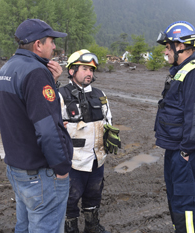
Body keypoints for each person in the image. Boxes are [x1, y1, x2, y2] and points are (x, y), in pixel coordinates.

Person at [0, 19, 73, 233]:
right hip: (40, 174)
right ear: (38, 44)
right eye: (51, 41)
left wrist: (53, 82)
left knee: (25, 226)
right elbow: (47, 130)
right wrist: (62, 168)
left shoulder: (8, 68)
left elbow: (24, 113)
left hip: (17, 168)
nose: (54, 46)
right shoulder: (36, 72)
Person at [154, 21, 195, 233]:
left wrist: (185, 151)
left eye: (167, 46)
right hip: (177, 148)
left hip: (186, 152)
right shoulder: (183, 70)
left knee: (185, 206)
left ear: (180, 46)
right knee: (176, 201)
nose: (165, 51)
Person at [59, 49, 120, 233]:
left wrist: (111, 136)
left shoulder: (100, 95)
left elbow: (108, 120)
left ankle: (92, 226)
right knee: (70, 199)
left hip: (97, 159)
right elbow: (52, 131)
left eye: (91, 70)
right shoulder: (61, 95)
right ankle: (70, 229)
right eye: (85, 69)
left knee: (94, 195)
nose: (89, 73)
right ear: (72, 71)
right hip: (73, 161)